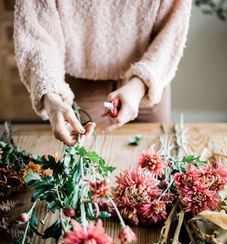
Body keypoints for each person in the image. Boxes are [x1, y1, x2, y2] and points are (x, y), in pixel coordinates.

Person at [14, 0, 192, 146]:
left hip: (149, 84)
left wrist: (139, 86)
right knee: (87, 165)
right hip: (80, 86)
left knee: (158, 159)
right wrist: (51, 95)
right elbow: (36, 33)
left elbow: (172, 29)